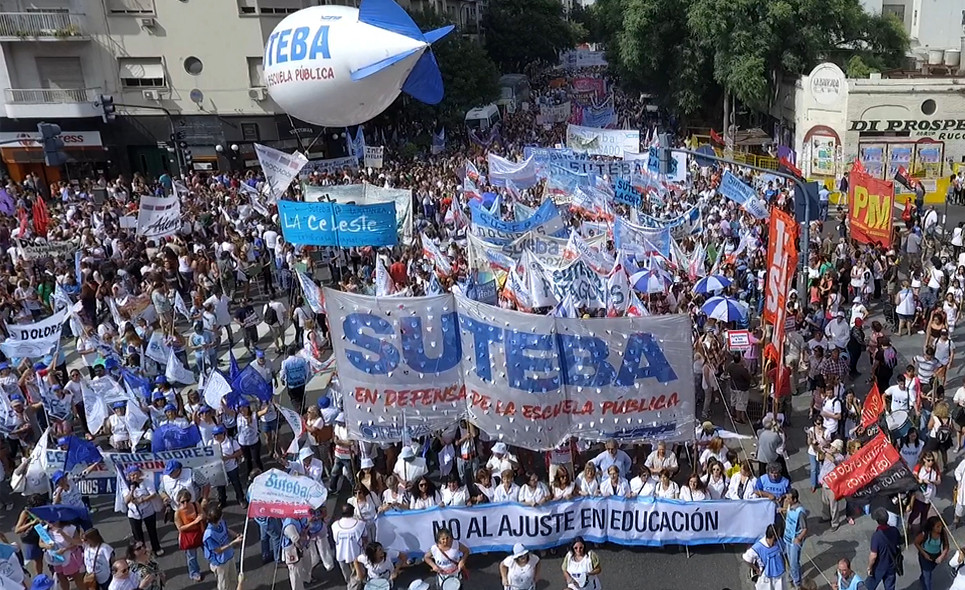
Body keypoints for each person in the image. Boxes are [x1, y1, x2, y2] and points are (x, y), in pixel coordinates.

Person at [121, 465, 163, 556]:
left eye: (136, 474)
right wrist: (131, 491)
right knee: (137, 535)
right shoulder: (126, 486)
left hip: (148, 510)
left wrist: (143, 500)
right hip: (134, 513)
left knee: (152, 531)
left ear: (140, 474)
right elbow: (126, 500)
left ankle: (156, 548)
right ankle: (142, 552)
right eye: (132, 475)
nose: (134, 477)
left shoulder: (147, 482)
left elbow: (153, 494)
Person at [201, 502, 243, 590]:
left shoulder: (221, 523)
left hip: (229, 556)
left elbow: (226, 530)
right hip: (220, 562)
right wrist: (233, 543)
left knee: (233, 579)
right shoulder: (209, 535)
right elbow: (218, 551)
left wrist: (236, 535)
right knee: (224, 585)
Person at [331, 504, 367, 590]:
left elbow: (335, 539)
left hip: (341, 555)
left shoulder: (335, 525)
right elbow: (365, 538)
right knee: (356, 578)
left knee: (349, 578)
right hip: (356, 555)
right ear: (353, 512)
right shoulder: (360, 524)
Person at [173, 489, 205, 582]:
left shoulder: (195, 505)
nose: (185, 503)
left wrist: (201, 516)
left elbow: (202, 514)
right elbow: (180, 528)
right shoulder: (178, 513)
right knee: (192, 557)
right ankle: (194, 573)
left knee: (208, 549)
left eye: (187, 500)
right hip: (188, 536)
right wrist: (194, 522)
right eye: (183, 502)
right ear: (178, 501)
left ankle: (214, 564)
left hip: (199, 532)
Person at [866, 508, 901, 590]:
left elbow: (873, 555)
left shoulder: (876, 536)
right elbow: (898, 543)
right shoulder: (894, 530)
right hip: (891, 564)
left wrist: (869, 567)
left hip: (879, 566)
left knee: (868, 587)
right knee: (890, 587)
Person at [742, 525, 786, 590]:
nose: (779, 536)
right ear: (773, 536)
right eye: (778, 534)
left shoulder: (779, 542)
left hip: (780, 577)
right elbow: (746, 559)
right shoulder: (758, 547)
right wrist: (756, 569)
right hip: (767, 579)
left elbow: (784, 552)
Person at [782, 489, 808, 589]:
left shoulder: (800, 512)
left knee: (794, 563)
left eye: (789, 499)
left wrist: (799, 538)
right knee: (789, 560)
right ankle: (791, 577)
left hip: (795, 541)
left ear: (795, 499)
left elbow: (805, 529)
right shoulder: (790, 506)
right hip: (787, 538)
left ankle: (797, 583)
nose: (787, 500)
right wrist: (782, 509)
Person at [913, 516, 948, 590]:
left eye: (941, 526)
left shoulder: (942, 533)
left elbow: (946, 545)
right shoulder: (925, 534)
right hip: (925, 557)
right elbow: (916, 543)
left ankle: (922, 578)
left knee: (929, 572)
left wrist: (942, 556)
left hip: (936, 556)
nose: (940, 528)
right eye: (937, 526)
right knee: (927, 578)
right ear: (932, 527)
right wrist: (924, 554)